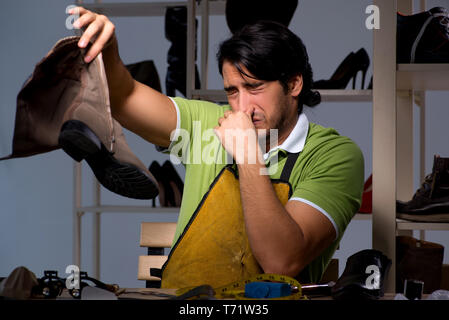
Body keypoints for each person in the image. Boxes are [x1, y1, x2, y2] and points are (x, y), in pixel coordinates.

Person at [67, 7, 364, 288]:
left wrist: (248, 154)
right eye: (233, 91)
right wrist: (108, 53)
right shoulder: (211, 122)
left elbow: (280, 260)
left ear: (294, 84)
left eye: (255, 87)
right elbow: (125, 97)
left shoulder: (335, 156)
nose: (243, 107)